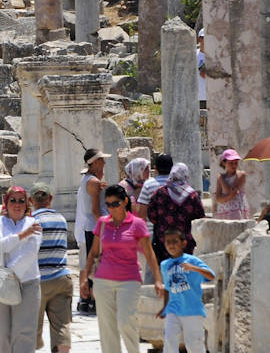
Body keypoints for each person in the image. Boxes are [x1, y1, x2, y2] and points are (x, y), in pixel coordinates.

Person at [81, 184, 163, 353]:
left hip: (129, 280)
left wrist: (158, 280)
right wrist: (83, 279)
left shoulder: (137, 224)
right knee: (107, 327)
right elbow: (93, 253)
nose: (112, 208)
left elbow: (149, 254)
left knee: (126, 321)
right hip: (103, 280)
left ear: (125, 201)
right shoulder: (103, 223)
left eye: (115, 204)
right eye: (108, 205)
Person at [0, 185, 42, 353]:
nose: (17, 204)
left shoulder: (33, 223)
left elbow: (30, 253)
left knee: (24, 332)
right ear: (6, 203)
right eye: (13, 200)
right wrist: (21, 236)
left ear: (27, 204)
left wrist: (10, 273)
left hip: (27, 282)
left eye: (21, 201)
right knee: (0, 332)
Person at [30, 183, 73, 353]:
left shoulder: (31, 222)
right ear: (51, 198)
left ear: (31, 200)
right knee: (61, 327)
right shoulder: (61, 219)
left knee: (30, 328)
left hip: (38, 280)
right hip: (61, 277)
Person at [157, 228, 215, 353]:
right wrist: (164, 308)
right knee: (169, 340)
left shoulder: (192, 260)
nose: (171, 245)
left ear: (183, 243)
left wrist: (194, 268)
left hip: (192, 310)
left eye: (175, 241)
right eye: (168, 242)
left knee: (194, 345)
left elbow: (211, 276)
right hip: (173, 309)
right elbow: (168, 288)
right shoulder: (165, 265)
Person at [148, 163, 205, 262]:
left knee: (166, 272)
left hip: (164, 243)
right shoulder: (192, 195)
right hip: (186, 243)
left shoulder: (159, 193)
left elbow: (151, 216)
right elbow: (200, 218)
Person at [75, 148, 107, 314]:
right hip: (92, 228)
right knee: (93, 265)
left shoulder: (88, 180)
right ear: (94, 162)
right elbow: (96, 210)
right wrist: (104, 228)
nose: (104, 163)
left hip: (85, 227)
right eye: (101, 160)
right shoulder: (93, 182)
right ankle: (92, 301)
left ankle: (85, 300)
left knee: (85, 265)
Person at [214, 148, 251, 220]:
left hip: (237, 210)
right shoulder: (221, 177)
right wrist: (228, 197)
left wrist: (221, 179)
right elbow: (218, 198)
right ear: (224, 163)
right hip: (224, 210)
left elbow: (231, 192)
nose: (234, 165)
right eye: (231, 163)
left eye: (236, 163)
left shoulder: (240, 175)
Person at [136, 153, 173, 220]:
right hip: (176, 229)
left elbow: (142, 214)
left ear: (155, 168)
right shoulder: (179, 184)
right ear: (172, 168)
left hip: (153, 229)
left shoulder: (148, 185)